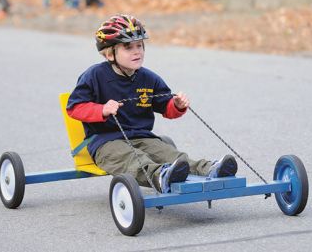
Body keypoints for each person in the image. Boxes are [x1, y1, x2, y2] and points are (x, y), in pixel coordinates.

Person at [67, 14, 238, 193]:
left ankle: (210, 169)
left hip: (142, 137)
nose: (137, 51)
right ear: (110, 53)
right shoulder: (95, 76)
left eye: (140, 45)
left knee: (171, 155)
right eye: (128, 47)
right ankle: (160, 176)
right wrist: (102, 109)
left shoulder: (148, 78)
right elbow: (74, 107)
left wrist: (177, 105)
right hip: (106, 142)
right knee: (133, 159)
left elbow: (166, 107)